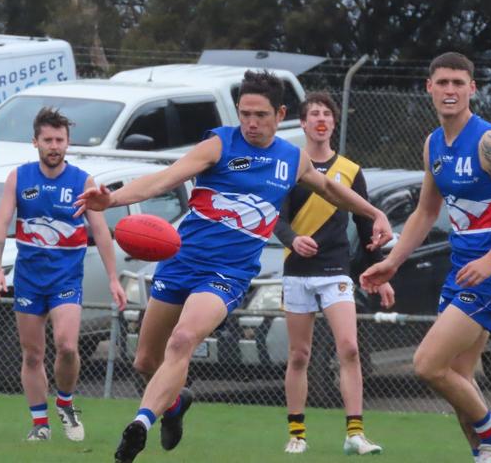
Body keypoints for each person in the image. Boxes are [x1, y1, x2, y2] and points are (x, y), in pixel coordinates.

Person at [73, 70, 393, 463]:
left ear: (280, 114)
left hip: (228, 273)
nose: (251, 123)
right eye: (245, 114)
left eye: (260, 115)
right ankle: (173, 407)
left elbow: (330, 188)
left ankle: (140, 425)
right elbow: (164, 179)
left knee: (182, 340)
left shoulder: (292, 159)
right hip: (182, 261)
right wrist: (113, 199)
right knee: (144, 360)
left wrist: (374, 211)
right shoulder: (219, 144)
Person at [360, 52, 491, 463]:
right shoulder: (434, 143)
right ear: (428, 88)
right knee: (459, 379)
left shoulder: (489, 141)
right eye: (442, 83)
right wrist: (393, 261)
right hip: (462, 270)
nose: (450, 90)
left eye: (458, 82)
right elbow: (426, 212)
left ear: (472, 88)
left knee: (427, 365)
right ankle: (487, 454)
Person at [0, 107, 127, 442]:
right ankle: (41, 425)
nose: (54, 146)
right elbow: (1, 224)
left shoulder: (82, 181)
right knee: (33, 354)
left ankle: (65, 403)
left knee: (66, 346)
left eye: (59, 140)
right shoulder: (19, 178)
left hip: (65, 278)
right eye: (47, 140)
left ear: (68, 143)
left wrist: (112, 278)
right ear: (35, 142)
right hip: (29, 279)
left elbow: (102, 232)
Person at [274, 92, 395, 456]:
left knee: (350, 348)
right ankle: (297, 433)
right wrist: (294, 241)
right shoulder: (290, 165)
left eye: (327, 113)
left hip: (335, 271)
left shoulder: (351, 170)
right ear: (304, 122)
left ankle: (355, 433)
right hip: (297, 272)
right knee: (299, 355)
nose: (321, 119)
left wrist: (382, 272)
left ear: (333, 122)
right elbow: (276, 220)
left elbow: (366, 225)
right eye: (314, 114)